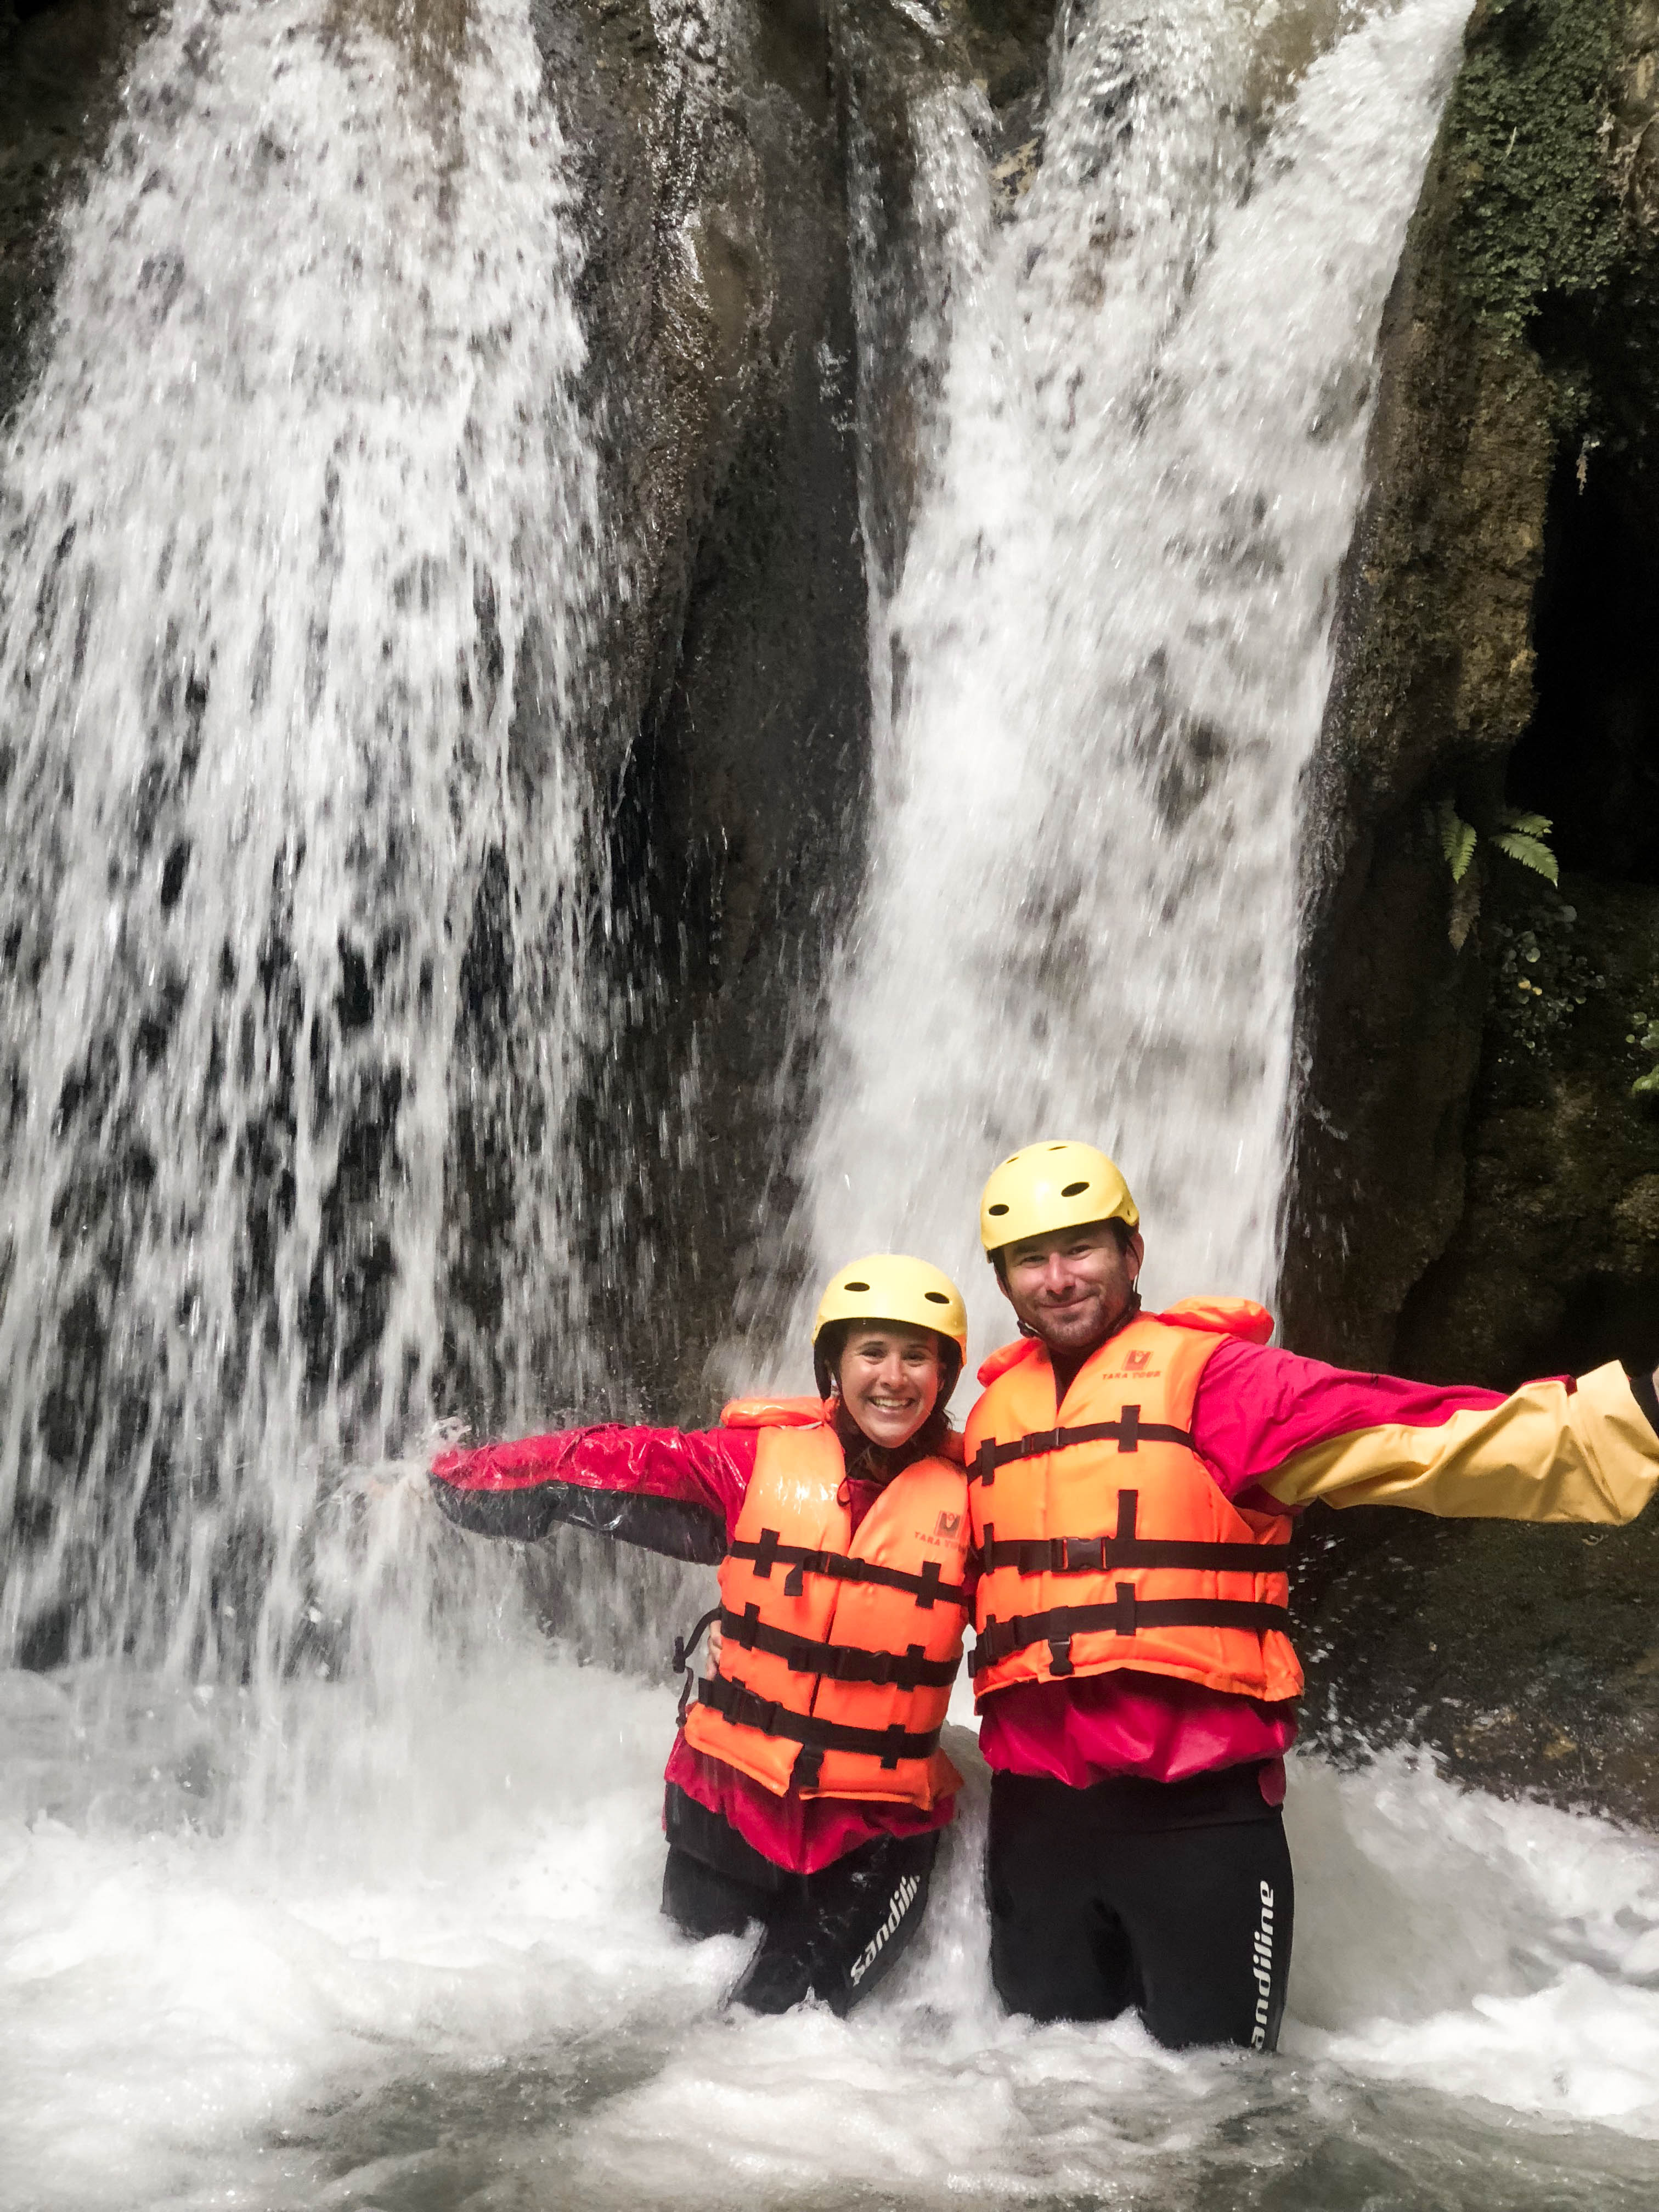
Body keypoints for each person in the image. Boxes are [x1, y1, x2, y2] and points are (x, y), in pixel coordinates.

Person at [964, 1139, 1659, 2054]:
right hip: (1034, 1830)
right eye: (1031, 1259)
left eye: (1082, 1249)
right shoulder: (985, 1420)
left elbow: (1426, 1435)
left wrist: (1633, 1413)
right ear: (1005, 1282)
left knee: (1216, 2126)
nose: (1058, 1279)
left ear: (1132, 1255)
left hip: (1198, 1827)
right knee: (1036, 2110)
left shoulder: (1223, 1383)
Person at [430, 1254, 973, 2016]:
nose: (894, 1377)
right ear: (835, 1367)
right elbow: (611, 1462)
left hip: (871, 1838)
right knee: (676, 2009)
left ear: (945, 1377)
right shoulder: (754, 1464)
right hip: (726, 1806)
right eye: (872, 1352)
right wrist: (452, 1480)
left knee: (778, 2031)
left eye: (918, 1356)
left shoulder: (978, 1500)